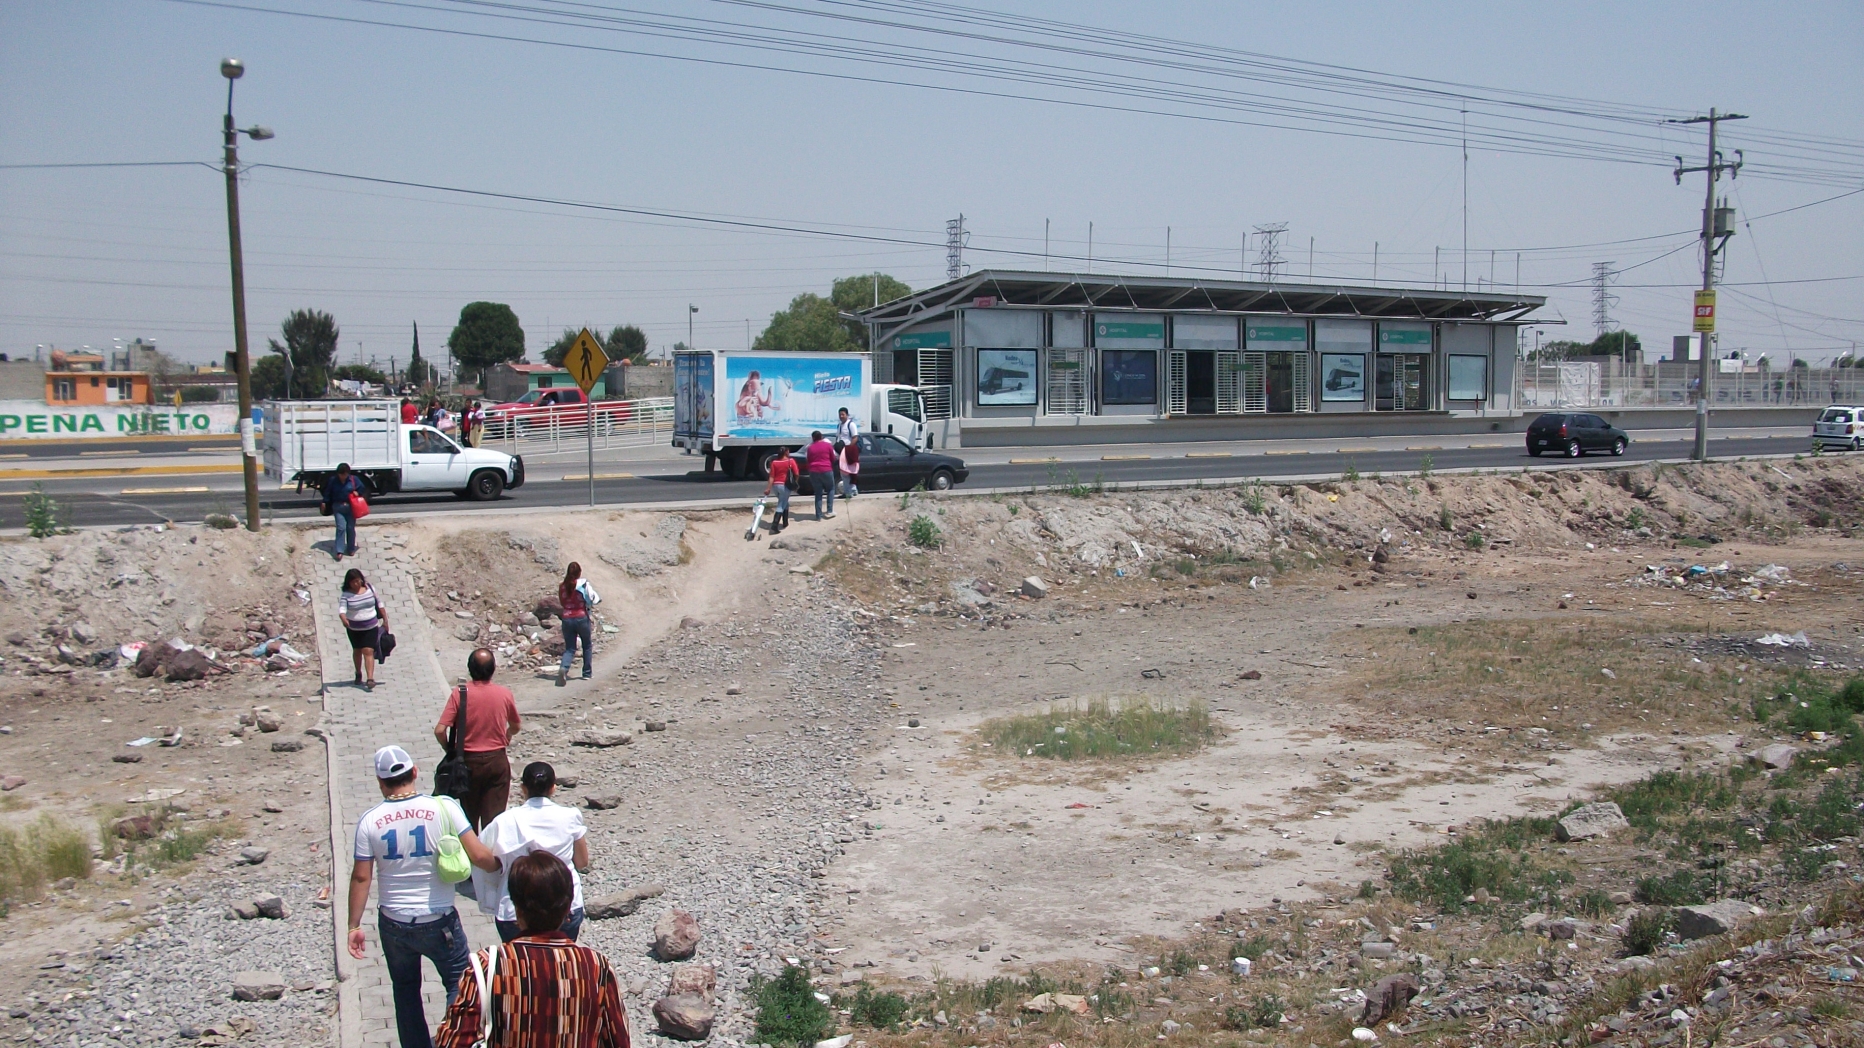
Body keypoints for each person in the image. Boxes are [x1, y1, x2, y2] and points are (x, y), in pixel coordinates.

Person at [348, 745, 500, 1048]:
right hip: (439, 917)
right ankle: (457, 1039)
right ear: (415, 772)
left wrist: (353, 926)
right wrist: (505, 867)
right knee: (458, 981)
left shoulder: (370, 821)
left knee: (405, 990)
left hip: (393, 921)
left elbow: (361, 876)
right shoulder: (444, 807)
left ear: (380, 781)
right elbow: (479, 855)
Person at [434, 852, 629, 1048]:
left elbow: (452, 1042)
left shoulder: (487, 965)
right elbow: (618, 1040)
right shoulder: (596, 967)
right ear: (568, 907)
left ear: (517, 909)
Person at [480, 763, 591, 943]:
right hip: (564, 903)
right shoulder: (570, 816)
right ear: (553, 788)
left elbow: (486, 858)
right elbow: (582, 861)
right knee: (561, 965)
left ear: (523, 788)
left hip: (515, 907)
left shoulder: (504, 821)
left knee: (519, 966)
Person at [434, 648, 522, 832]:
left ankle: (472, 856)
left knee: (468, 819)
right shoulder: (504, 694)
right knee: (495, 821)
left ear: (470, 668)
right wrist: (507, 735)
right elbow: (515, 725)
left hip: (467, 763)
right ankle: (492, 856)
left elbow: (440, 730)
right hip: (496, 761)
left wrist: (450, 750)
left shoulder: (460, 693)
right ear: (493, 669)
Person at [339, 568, 387, 692]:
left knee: (368, 650)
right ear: (348, 583)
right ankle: (358, 672)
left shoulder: (370, 589)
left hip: (371, 626)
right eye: (353, 582)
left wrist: (385, 620)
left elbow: (380, 604)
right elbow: (342, 610)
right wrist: (343, 619)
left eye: (358, 581)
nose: (356, 584)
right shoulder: (346, 595)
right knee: (357, 650)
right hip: (354, 628)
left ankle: (370, 678)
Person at [555, 563, 597, 686]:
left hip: (567, 618)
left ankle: (564, 667)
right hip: (581, 616)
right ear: (579, 573)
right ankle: (587, 673)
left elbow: (562, 603)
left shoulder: (562, 586)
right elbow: (589, 599)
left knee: (570, 648)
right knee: (587, 645)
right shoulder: (581, 585)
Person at [322, 463, 366, 560]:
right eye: (341, 474)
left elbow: (362, 487)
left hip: (351, 507)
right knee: (341, 527)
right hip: (338, 507)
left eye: (344, 474)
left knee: (350, 528)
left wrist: (358, 492)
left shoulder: (353, 479)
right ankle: (339, 550)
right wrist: (325, 502)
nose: (342, 477)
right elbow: (327, 492)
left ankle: (351, 548)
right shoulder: (333, 481)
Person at [762, 446, 796, 533]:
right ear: (786, 452)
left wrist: (768, 488)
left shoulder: (774, 462)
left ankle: (785, 522)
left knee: (785, 502)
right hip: (784, 485)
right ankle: (775, 525)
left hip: (775, 486)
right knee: (781, 504)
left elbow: (771, 476)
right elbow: (796, 473)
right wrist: (795, 483)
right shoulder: (790, 461)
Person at [805, 430, 836, 521]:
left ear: (813, 438)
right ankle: (829, 510)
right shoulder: (828, 446)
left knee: (818, 492)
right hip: (826, 469)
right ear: (821, 437)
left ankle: (818, 515)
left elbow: (808, 460)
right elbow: (833, 458)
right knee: (830, 488)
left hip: (814, 471)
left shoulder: (810, 448)